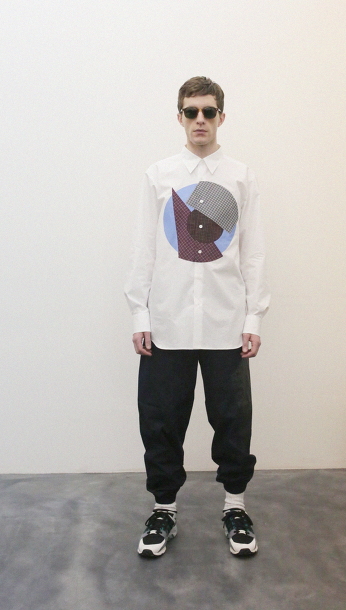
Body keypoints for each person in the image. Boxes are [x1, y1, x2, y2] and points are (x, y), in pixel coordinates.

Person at [124, 77, 270, 558]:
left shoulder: (241, 177)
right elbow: (145, 248)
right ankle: (163, 510)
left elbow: (253, 252)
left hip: (226, 323)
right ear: (180, 117)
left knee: (233, 421)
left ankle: (235, 507)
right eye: (192, 112)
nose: (200, 120)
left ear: (222, 117)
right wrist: (139, 312)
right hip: (167, 322)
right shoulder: (159, 175)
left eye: (209, 111)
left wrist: (254, 317)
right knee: (161, 420)